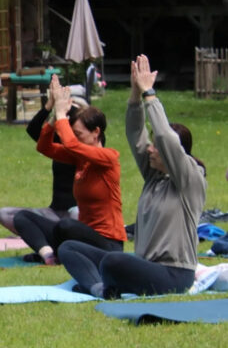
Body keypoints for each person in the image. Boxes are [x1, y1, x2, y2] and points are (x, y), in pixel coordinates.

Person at [59, 55, 205, 298]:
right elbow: (135, 134)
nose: (150, 148)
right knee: (69, 248)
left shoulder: (190, 181)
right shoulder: (155, 177)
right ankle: (100, 288)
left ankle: (106, 284)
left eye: (155, 146)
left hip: (174, 275)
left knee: (114, 262)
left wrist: (151, 94)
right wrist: (136, 94)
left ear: (172, 154)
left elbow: (166, 138)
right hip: (145, 267)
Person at [12, 76, 125, 264]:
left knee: (66, 225)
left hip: (108, 243)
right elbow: (44, 147)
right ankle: (49, 255)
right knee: (22, 217)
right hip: (81, 234)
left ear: (96, 132)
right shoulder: (78, 157)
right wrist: (54, 116)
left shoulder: (108, 157)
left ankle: (58, 252)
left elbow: (71, 144)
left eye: (79, 134)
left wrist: (62, 115)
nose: (76, 138)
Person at [0, 97, 87, 235]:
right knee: (4, 214)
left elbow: (75, 139)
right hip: (54, 213)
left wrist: (65, 106)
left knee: (75, 214)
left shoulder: (91, 146)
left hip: (78, 213)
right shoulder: (59, 143)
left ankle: (46, 233)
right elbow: (33, 130)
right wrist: (49, 106)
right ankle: (45, 233)